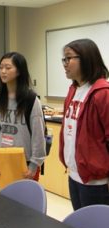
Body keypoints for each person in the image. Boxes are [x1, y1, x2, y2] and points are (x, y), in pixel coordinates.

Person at [59, 38, 109, 210]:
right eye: (63, 59)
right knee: (80, 226)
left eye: (69, 58)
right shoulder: (73, 90)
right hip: (74, 175)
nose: (64, 64)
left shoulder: (103, 94)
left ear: (86, 58)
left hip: (96, 182)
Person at [0, 52, 46, 181]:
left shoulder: (31, 100)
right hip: (3, 159)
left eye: (8, 68)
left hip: (26, 162)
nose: (3, 71)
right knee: (6, 199)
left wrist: (34, 165)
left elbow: (38, 135)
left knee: (25, 200)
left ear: (19, 71)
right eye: (1, 67)